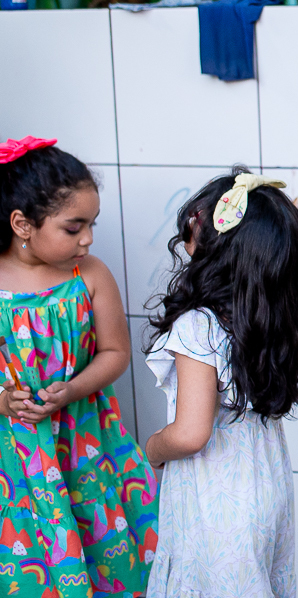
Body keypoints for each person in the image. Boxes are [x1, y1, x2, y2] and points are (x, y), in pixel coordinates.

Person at [143, 170, 298, 598]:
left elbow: (190, 434)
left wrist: (152, 448)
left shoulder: (197, 326)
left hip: (215, 500)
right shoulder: (262, 318)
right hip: (266, 487)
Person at [0, 136, 158, 597]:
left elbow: (116, 353)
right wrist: (5, 401)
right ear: (22, 224)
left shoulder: (89, 276)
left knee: (106, 560)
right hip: (14, 461)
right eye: (74, 228)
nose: (87, 239)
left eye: (92, 224)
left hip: (87, 447)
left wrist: (70, 391)